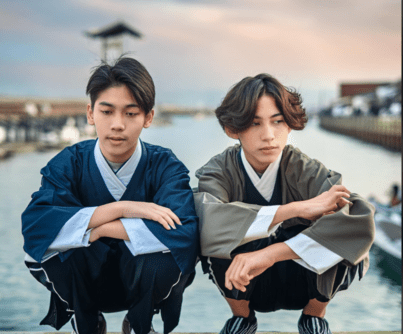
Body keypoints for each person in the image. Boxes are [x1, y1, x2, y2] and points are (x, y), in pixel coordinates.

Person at [22, 57, 199, 334]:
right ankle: (87, 322)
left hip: (143, 281)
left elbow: (185, 232)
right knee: (49, 253)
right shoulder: (69, 163)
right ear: (91, 113)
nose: (118, 125)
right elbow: (36, 228)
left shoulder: (165, 166)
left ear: (148, 117)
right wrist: (126, 208)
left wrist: (97, 228)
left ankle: (139, 323)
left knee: (172, 255)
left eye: (131, 113)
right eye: (107, 112)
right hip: (85, 281)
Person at [194, 74, 375, 334]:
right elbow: (210, 221)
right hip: (244, 282)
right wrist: (296, 210)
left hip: (304, 279)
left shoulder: (304, 169)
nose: (269, 135)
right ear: (232, 129)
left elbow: (358, 219)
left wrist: (269, 254)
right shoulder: (218, 171)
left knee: (343, 227)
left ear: (289, 125)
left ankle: (315, 315)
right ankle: (242, 318)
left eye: (277, 121)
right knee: (211, 231)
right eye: (255, 123)